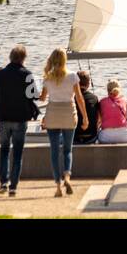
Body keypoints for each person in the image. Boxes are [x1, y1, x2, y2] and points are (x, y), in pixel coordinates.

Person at [0, 44, 39, 197]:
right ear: (24, 58)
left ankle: (3, 182)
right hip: (20, 119)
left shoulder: (0, 74)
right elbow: (34, 96)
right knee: (17, 153)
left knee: (4, 151)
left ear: (10, 57)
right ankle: (13, 187)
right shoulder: (27, 74)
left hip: (3, 118)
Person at [40, 47, 88, 196]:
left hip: (53, 114)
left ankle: (57, 186)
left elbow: (43, 98)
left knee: (54, 151)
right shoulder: (73, 76)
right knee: (67, 149)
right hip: (69, 113)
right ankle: (67, 176)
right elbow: (79, 98)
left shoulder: (47, 78)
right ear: (65, 60)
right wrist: (85, 118)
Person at [75, 72, 100, 144]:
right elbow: (98, 119)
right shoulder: (94, 98)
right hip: (91, 137)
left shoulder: (71, 99)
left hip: (74, 138)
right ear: (88, 84)